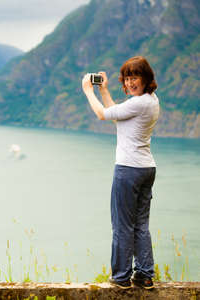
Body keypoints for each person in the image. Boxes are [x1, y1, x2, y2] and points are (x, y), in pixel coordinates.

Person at [81, 56, 160, 290]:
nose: (130, 82)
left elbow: (103, 115)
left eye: (135, 77)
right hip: (146, 168)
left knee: (122, 225)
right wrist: (104, 90)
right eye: (127, 78)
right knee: (140, 226)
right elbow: (118, 115)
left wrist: (89, 91)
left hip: (128, 170)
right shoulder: (150, 100)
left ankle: (121, 276)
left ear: (146, 78)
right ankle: (144, 275)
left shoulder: (139, 103)